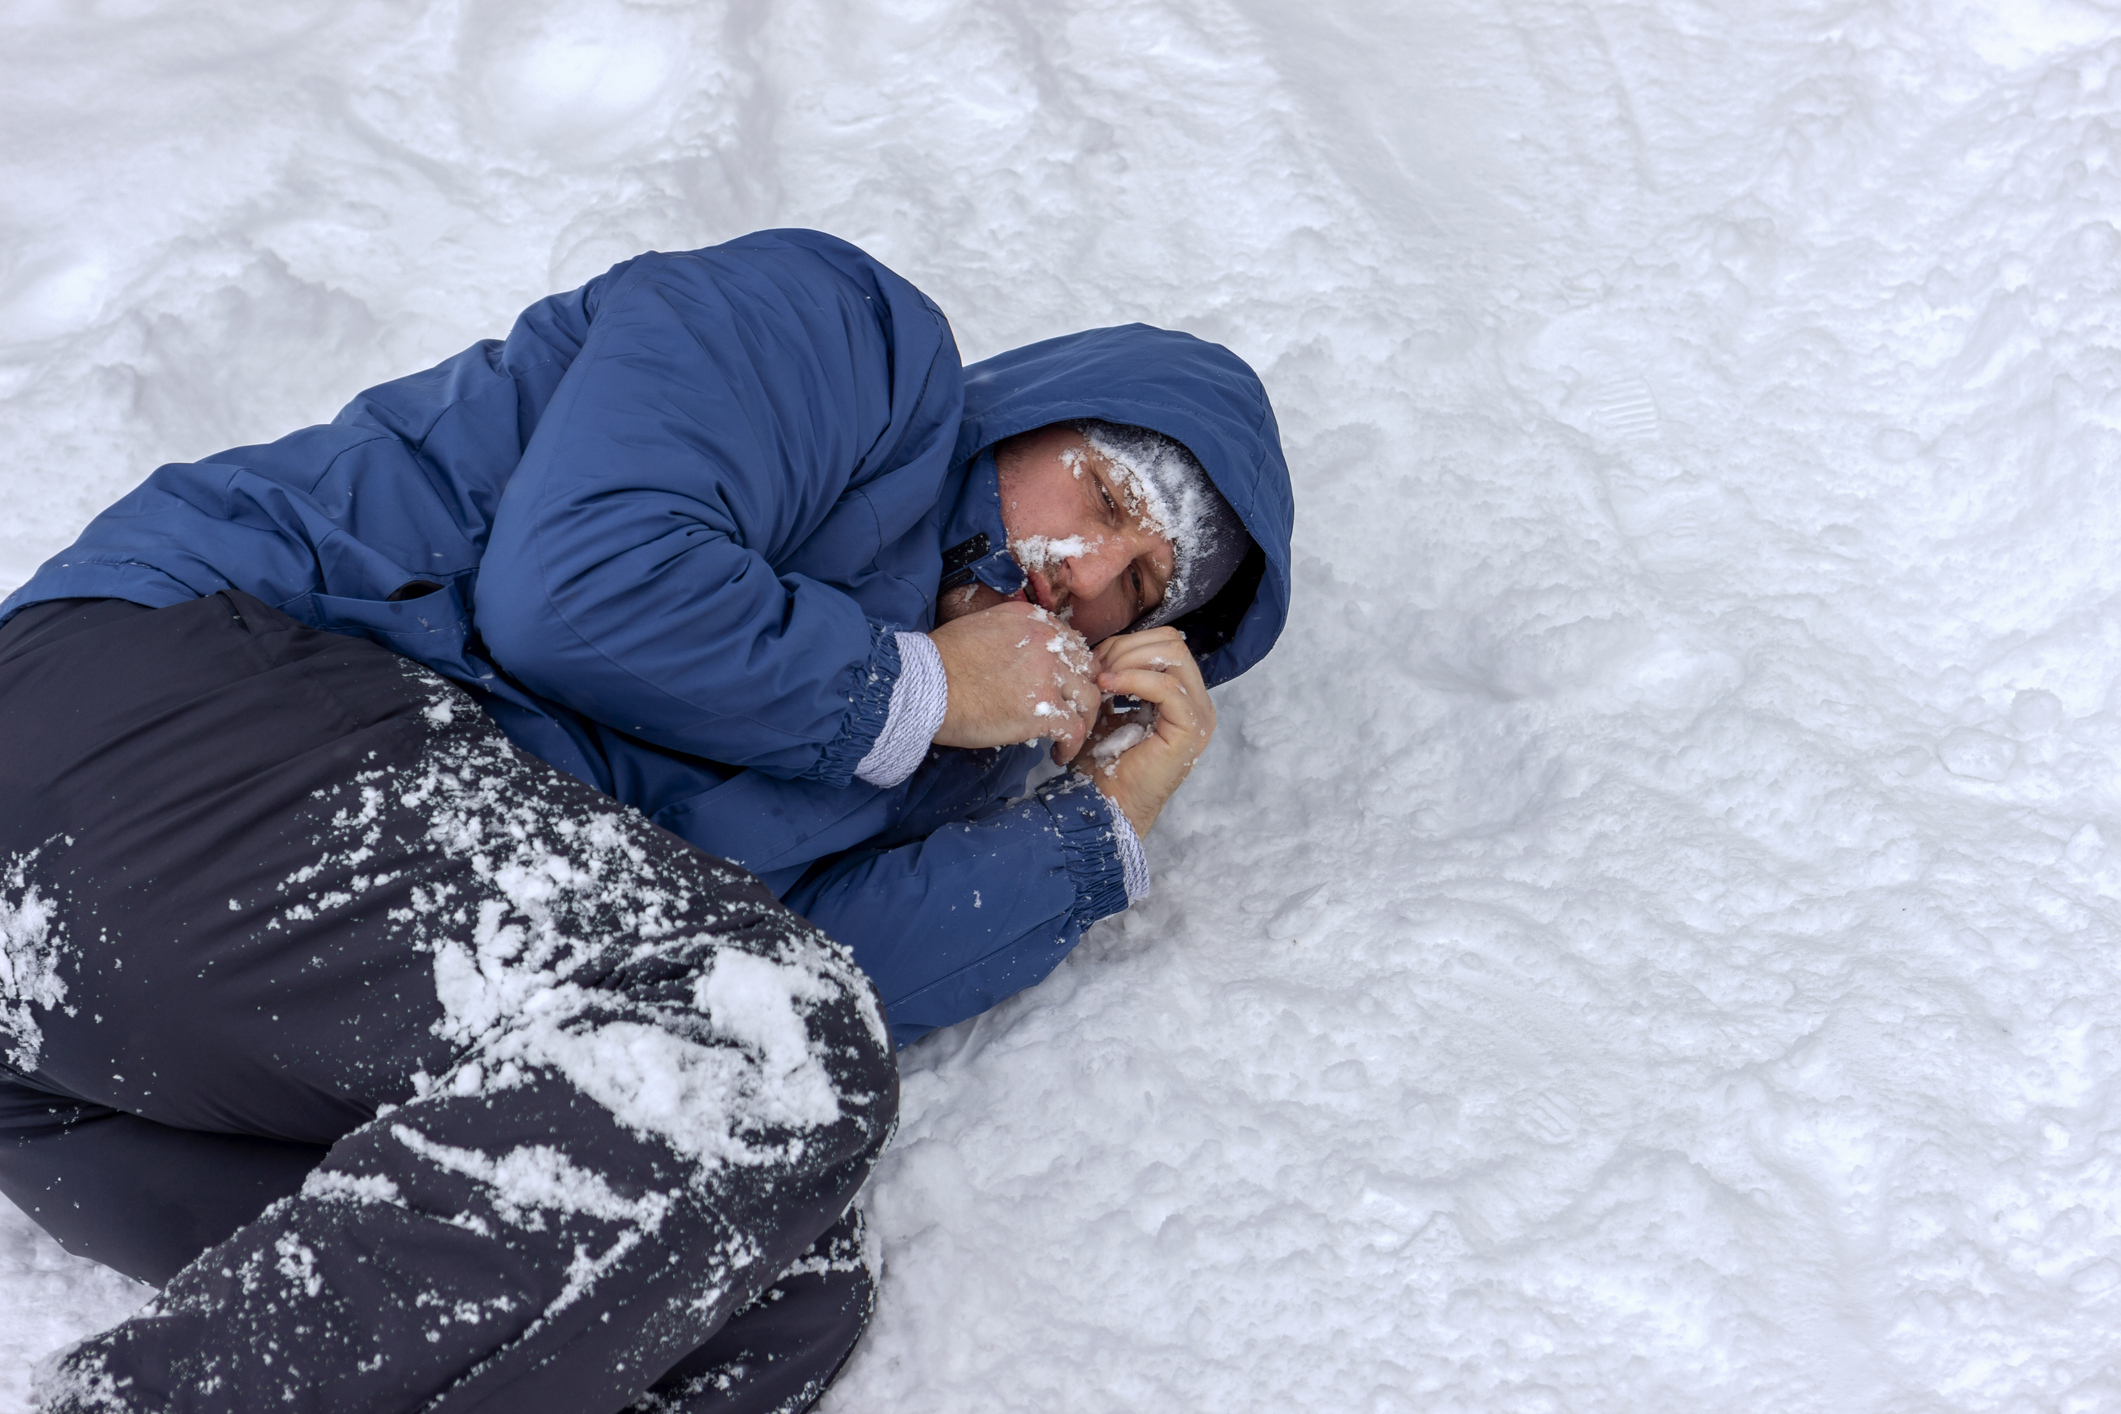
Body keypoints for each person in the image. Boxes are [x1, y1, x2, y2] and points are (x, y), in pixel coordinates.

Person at [0, 228, 1293, 1413]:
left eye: (1138, 591)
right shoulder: (848, 342)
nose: (1085, 575)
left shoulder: (911, 764)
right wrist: (922, 690)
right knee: (762, 1026)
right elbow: (575, 588)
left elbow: (806, 994)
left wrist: (1099, 820)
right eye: (1104, 498)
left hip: (105, 1078)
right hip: (149, 727)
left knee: (772, 1287)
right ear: (1032, 416)